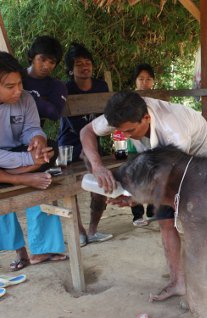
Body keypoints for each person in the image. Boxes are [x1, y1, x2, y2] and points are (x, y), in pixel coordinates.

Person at [80, 91, 207, 301]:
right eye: (121, 132)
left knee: (193, 223)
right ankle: (178, 283)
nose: (125, 137)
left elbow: (171, 181)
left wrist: (134, 198)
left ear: (146, 118)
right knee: (165, 222)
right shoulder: (122, 113)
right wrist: (97, 167)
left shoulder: (173, 132)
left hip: (198, 163)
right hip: (161, 161)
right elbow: (86, 131)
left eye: (130, 131)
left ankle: (200, 288)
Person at [0, 51, 67, 271]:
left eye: (19, 83)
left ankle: (42, 249)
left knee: (52, 150)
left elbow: (31, 128)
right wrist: (30, 164)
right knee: (40, 173)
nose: (18, 90)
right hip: (12, 161)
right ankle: (23, 179)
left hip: (18, 159)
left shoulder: (26, 98)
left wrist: (37, 141)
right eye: (10, 87)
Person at [57, 42, 112, 247]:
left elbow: (105, 117)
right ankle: (79, 232)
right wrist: (85, 148)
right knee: (72, 188)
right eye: (78, 64)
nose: (84, 66)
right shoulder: (65, 88)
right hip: (69, 145)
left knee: (101, 186)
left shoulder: (101, 86)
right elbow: (72, 124)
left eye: (87, 62)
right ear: (71, 69)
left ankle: (93, 230)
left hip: (93, 143)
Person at [130, 63, 156, 227]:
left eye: (148, 79)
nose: (145, 83)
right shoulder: (129, 100)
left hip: (154, 142)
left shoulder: (157, 100)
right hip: (134, 144)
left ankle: (153, 211)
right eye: (141, 79)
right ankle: (137, 215)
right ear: (135, 81)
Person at [23, 35, 67, 126]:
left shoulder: (56, 86)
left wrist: (26, 97)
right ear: (32, 57)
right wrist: (43, 102)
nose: (46, 66)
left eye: (52, 62)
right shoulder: (15, 77)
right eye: (42, 59)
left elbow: (54, 114)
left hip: (33, 135)